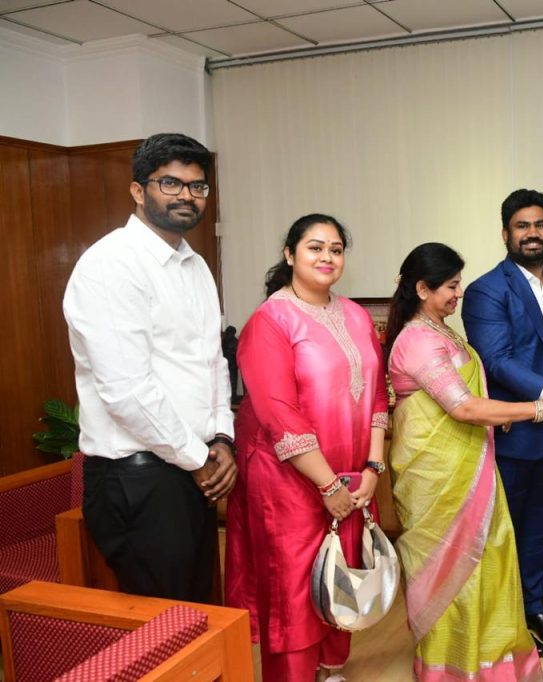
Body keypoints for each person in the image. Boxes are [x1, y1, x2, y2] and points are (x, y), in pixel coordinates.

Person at [385, 242, 543, 681]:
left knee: (489, 557)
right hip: (436, 475)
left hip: (470, 465)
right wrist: (538, 408)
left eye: (458, 284)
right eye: (451, 286)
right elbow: (463, 407)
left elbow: (473, 396)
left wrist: (505, 417)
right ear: (422, 289)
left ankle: (490, 657)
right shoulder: (417, 340)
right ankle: (451, 665)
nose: (459, 293)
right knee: (450, 569)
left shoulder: (443, 331)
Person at [63, 132, 237, 602]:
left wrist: (221, 438)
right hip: (138, 478)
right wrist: (198, 458)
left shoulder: (195, 265)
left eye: (197, 186)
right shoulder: (110, 265)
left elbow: (212, 362)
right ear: (138, 191)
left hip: (191, 466)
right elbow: (127, 391)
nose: (186, 196)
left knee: (202, 612)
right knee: (167, 622)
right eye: (170, 183)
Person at [225, 214, 389, 681]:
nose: (327, 257)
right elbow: (279, 414)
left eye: (336, 249)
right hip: (288, 482)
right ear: (290, 254)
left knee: (343, 570)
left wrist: (372, 467)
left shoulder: (356, 315)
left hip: (353, 475)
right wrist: (327, 484)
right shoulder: (270, 321)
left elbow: (378, 395)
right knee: (294, 586)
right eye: (315, 248)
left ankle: (330, 667)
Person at [461, 189, 543, 657]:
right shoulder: (486, 290)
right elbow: (497, 360)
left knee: (541, 530)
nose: (533, 233)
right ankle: (506, 622)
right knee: (504, 534)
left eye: (540, 224)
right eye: (522, 226)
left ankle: (534, 608)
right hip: (515, 434)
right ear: (505, 234)